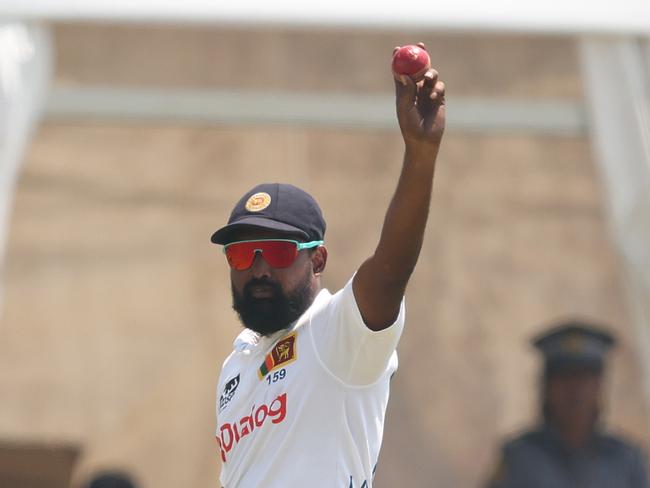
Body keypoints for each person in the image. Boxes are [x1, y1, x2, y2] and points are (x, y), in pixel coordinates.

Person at [210, 43, 446, 487]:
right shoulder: (235, 366)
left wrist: (420, 154)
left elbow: (391, 269)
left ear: (317, 259)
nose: (258, 270)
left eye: (278, 253)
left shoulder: (337, 334)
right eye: (242, 254)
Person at [487, 320, 649, 488]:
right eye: (565, 379)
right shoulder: (519, 459)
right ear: (547, 387)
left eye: (584, 380)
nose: (575, 391)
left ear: (599, 385)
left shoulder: (625, 461)